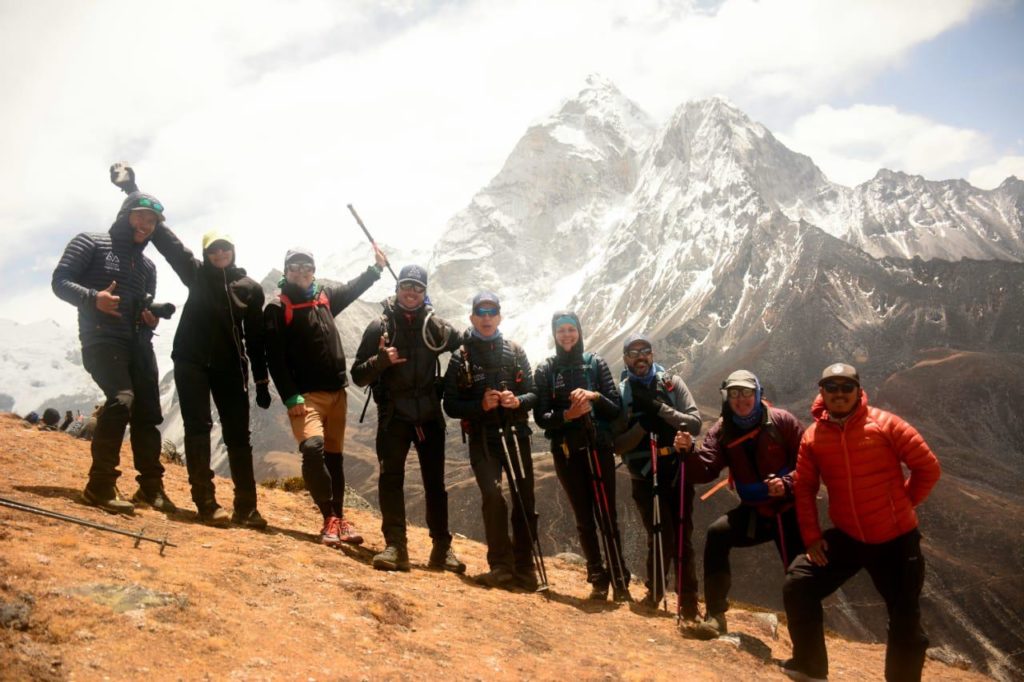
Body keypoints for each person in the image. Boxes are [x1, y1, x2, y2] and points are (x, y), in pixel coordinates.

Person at [782, 363, 941, 682]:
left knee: (905, 617)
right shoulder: (813, 437)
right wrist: (812, 538)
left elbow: (928, 468)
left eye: (846, 387)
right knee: (799, 583)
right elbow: (803, 488)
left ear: (858, 390)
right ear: (822, 392)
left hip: (897, 539)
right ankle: (810, 667)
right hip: (849, 537)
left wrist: (903, 503)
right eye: (831, 387)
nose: (839, 394)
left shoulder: (886, 424)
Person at [51, 164, 176, 515]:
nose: (146, 226)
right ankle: (99, 485)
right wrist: (94, 298)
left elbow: (140, 306)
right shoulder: (90, 242)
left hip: (138, 342)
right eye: (140, 217)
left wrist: (148, 316)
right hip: (101, 338)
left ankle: (151, 489)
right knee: (121, 400)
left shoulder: (148, 266)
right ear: (125, 215)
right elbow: (60, 281)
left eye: (152, 222)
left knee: (148, 413)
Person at [150, 224, 272, 528]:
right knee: (198, 428)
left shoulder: (251, 289)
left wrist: (261, 380)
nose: (219, 254)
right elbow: (171, 247)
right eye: (213, 250)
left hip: (230, 365)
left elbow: (255, 339)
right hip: (190, 361)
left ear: (233, 252)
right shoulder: (196, 273)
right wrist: (136, 197)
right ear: (206, 254)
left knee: (238, 436)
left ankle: (247, 507)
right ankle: (205, 502)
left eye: (224, 248)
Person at [264, 245, 386, 547]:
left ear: (313, 271)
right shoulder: (278, 309)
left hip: (337, 395)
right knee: (313, 448)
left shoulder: (325, 298)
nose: (301, 273)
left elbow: (353, 288)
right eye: (294, 269)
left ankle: (339, 520)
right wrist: (291, 397)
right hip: (307, 398)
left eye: (306, 268)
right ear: (286, 272)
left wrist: (376, 270)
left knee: (334, 459)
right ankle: (328, 516)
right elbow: (274, 359)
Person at [351, 264, 466, 573]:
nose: (411, 292)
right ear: (397, 288)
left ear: (425, 292)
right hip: (394, 418)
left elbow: (466, 344)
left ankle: (441, 549)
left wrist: (456, 376)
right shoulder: (381, 327)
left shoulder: (437, 327)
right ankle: (395, 547)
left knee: (435, 485)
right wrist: (380, 360)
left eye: (417, 287)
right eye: (406, 286)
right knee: (391, 480)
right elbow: (358, 375)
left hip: (429, 417)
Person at [675, 370, 805, 639]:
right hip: (756, 511)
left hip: (789, 511)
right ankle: (715, 616)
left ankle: (805, 642)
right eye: (734, 393)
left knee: (799, 575)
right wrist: (688, 453)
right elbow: (706, 470)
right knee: (717, 534)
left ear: (758, 395)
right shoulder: (723, 430)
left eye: (747, 393)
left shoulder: (783, 423)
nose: (741, 399)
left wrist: (788, 484)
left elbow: (809, 465)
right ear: (726, 397)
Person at [442, 292, 540, 590]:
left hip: (516, 435)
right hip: (483, 439)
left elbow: (534, 394)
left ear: (499, 316)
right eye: (480, 313)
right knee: (493, 496)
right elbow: (450, 403)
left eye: (492, 312)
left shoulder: (515, 351)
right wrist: (479, 407)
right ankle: (501, 566)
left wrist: (517, 401)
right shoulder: (461, 357)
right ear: (472, 318)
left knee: (526, 500)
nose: (486, 318)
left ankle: (524, 569)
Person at [533, 310, 630, 601]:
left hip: (598, 447)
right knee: (584, 516)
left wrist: (594, 397)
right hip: (566, 452)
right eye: (561, 330)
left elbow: (615, 408)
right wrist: (568, 414)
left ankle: (620, 578)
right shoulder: (546, 370)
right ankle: (598, 577)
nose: (566, 335)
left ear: (579, 332)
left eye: (571, 330)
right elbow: (541, 417)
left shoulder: (595, 364)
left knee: (607, 514)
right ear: (554, 334)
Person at [612, 334, 701, 616]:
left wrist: (661, 410)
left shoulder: (672, 384)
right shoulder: (621, 393)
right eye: (633, 353)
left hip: (676, 469)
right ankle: (656, 591)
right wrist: (641, 427)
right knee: (659, 534)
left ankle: (687, 601)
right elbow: (616, 444)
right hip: (642, 473)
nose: (640, 357)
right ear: (625, 359)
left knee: (682, 535)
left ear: (652, 354)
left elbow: (695, 423)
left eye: (645, 351)